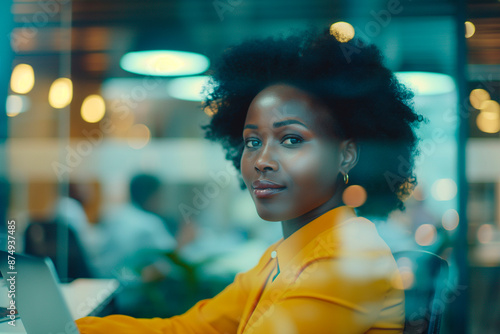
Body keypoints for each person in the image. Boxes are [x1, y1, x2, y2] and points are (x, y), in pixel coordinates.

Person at [76, 27, 424, 333]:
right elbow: (184, 329)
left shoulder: (348, 260)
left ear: (346, 154)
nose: (261, 161)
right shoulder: (283, 257)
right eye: (252, 142)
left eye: (291, 139)